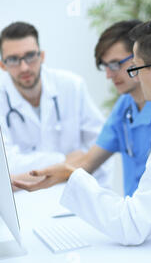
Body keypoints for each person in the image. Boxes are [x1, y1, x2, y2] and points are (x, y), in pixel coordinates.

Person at [15, 17, 151, 247]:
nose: (133, 75)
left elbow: (132, 226)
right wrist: (61, 172)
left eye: (136, 68)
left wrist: (69, 175)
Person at [13, 20, 151, 197]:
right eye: (105, 66)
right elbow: (87, 162)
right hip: (133, 214)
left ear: (139, 58)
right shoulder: (124, 107)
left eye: (115, 64)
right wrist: (32, 179)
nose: (109, 75)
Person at [0, 21, 112, 188]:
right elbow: (6, 165)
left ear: (42, 56)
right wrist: (64, 161)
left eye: (30, 56)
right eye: (14, 59)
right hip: (24, 201)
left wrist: (23, 175)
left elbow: (101, 146)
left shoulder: (71, 86)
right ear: (3, 65)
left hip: (74, 192)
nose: (24, 67)